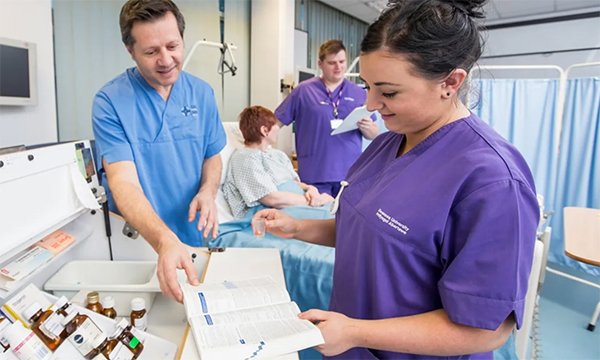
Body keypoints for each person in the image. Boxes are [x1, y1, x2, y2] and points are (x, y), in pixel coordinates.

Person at [254, 0, 540, 358]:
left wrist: (356, 331)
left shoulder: (492, 181)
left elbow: (487, 328)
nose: (371, 104)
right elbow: (364, 233)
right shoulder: (387, 143)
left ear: (450, 82)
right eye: (368, 86)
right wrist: (296, 228)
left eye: (388, 92)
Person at [92, 0, 226, 303]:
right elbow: (122, 181)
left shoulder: (202, 93)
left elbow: (212, 155)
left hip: (192, 236)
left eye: (173, 46)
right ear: (131, 50)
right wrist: (164, 240)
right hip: (140, 241)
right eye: (151, 52)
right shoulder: (110, 101)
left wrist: (208, 191)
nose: (166, 60)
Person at [275, 40, 379, 197]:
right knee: (316, 218)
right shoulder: (303, 91)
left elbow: (374, 134)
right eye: (332, 63)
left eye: (342, 61)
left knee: (345, 219)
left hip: (349, 174)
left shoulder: (359, 93)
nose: (338, 67)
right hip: (314, 174)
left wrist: (369, 129)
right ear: (320, 63)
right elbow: (275, 123)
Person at [222, 106, 334, 219]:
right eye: (275, 124)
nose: (278, 129)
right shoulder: (244, 158)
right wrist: (312, 202)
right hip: (267, 212)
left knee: (338, 209)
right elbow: (270, 199)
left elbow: (294, 183)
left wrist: (311, 189)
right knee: (330, 218)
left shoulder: (278, 155)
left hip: (295, 204)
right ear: (264, 130)